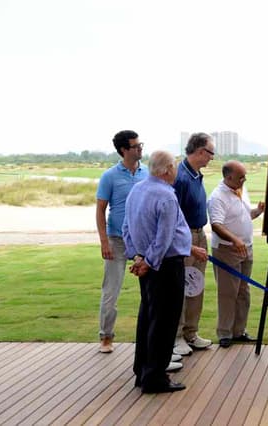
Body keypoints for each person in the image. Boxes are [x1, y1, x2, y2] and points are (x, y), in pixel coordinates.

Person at [123, 151, 199, 393]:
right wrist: (149, 261)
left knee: (148, 317)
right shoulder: (166, 196)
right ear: (167, 169)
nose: (176, 170)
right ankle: (155, 377)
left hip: (149, 263)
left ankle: (143, 370)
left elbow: (126, 226)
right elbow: (164, 236)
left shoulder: (137, 190)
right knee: (164, 321)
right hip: (165, 265)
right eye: (174, 166)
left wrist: (137, 255)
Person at [95, 130, 148, 353]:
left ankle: (151, 340)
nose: (140, 148)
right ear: (124, 150)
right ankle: (106, 337)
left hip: (142, 241)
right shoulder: (110, 176)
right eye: (136, 146)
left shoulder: (147, 172)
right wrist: (104, 242)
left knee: (150, 293)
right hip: (116, 240)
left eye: (140, 144)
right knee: (111, 291)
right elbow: (100, 210)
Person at [208, 161, 264, 348]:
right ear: (228, 177)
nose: (244, 179)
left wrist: (259, 211)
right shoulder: (218, 197)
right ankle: (225, 333)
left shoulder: (240, 189)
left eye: (245, 176)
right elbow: (216, 225)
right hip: (227, 250)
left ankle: (239, 331)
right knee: (227, 293)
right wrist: (235, 240)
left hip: (246, 248)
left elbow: (246, 215)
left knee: (243, 292)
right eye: (241, 177)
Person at [172, 132, 213, 355]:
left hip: (199, 233)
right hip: (184, 236)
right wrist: (186, 243)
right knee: (182, 286)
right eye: (210, 153)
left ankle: (191, 332)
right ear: (199, 151)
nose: (212, 158)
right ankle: (177, 336)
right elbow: (173, 215)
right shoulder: (180, 176)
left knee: (196, 285)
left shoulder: (197, 175)